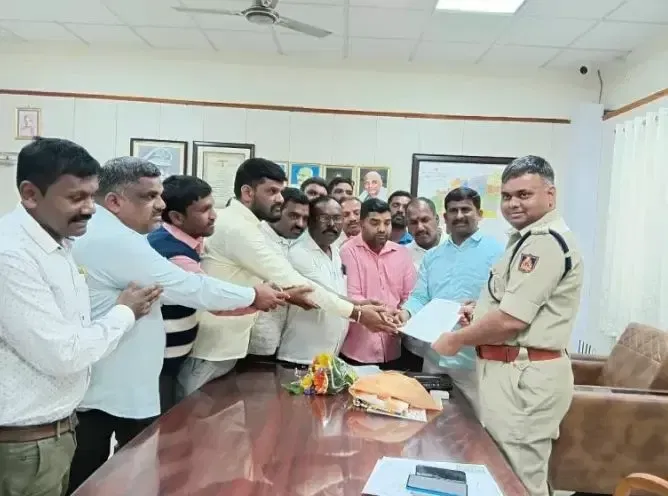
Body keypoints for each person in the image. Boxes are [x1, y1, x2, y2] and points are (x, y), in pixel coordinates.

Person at [68, 158, 283, 492]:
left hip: (118, 381)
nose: (161, 204)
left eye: (160, 194)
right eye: (149, 196)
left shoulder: (119, 234)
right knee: (105, 475)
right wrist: (253, 294)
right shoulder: (114, 240)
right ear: (114, 201)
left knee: (119, 471)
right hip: (108, 384)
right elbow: (186, 286)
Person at [0, 138, 160, 496]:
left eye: (92, 196)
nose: (90, 209)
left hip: (54, 432)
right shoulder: (12, 256)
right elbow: (64, 354)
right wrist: (125, 312)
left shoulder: (58, 243)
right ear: (30, 194)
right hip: (23, 445)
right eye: (76, 198)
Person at [432, 156, 583, 496]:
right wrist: (479, 312)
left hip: (524, 378)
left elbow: (511, 319)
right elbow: (509, 304)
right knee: (502, 471)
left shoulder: (545, 241)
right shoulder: (523, 239)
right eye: (507, 196)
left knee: (518, 480)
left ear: (550, 195)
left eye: (524, 195)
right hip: (510, 372)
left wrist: (456, 340)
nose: (513, 203)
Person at [184, 158, 398, 392]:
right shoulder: (238, 229)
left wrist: (357, 306)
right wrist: (358, 313)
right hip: (212, 348)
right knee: (194, 412)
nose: (279, 198)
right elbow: (298, 283)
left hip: (226, 345)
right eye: (272, 191)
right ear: (247, 193)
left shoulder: (249, 226)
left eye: (280, 191)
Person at [399, 188, 503, 408]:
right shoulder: (433, 256)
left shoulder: (498, 252)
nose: (459, 215)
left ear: (480, 214)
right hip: (435, 358)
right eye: (453, 210)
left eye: (466, 209)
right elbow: (420, 297)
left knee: (478, 423)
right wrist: (404, 313)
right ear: (445, 217)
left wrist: (480, 308)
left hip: (478, 360)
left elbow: (505, 301)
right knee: (433, 420)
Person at [339, 198, 417, 368]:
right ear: (362, 224)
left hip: (394, 347)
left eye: (387, 223)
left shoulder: (401, 253)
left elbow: (410, 295)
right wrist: (386, 316)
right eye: (375, 223)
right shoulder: (347, 251)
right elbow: (352, 295)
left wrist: (402, 315)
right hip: (357, 350)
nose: (382, 229)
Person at [279, 196, 350, 363]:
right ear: (310, 221)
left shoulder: (335, 251)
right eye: (324, 218)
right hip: (299, 359)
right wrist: (361, 309)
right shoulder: (298, 253)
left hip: (329, 359)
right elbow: (324, 296)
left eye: (337, 218)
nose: (332, 224)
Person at [248, 187, 309, 357]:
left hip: (276, 342)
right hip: (249, 343)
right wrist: (288, 295)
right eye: (293, 216)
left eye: (305, 218)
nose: (300, 224)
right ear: (277, 210)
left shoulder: (293, 242)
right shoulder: (256, 238)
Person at [405, 197, 445, 270]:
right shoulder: (403, 255)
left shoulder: (458, 248)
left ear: (437, 219)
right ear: (407, 226)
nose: (420, 228)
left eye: (425, 220)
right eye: (413, 222)